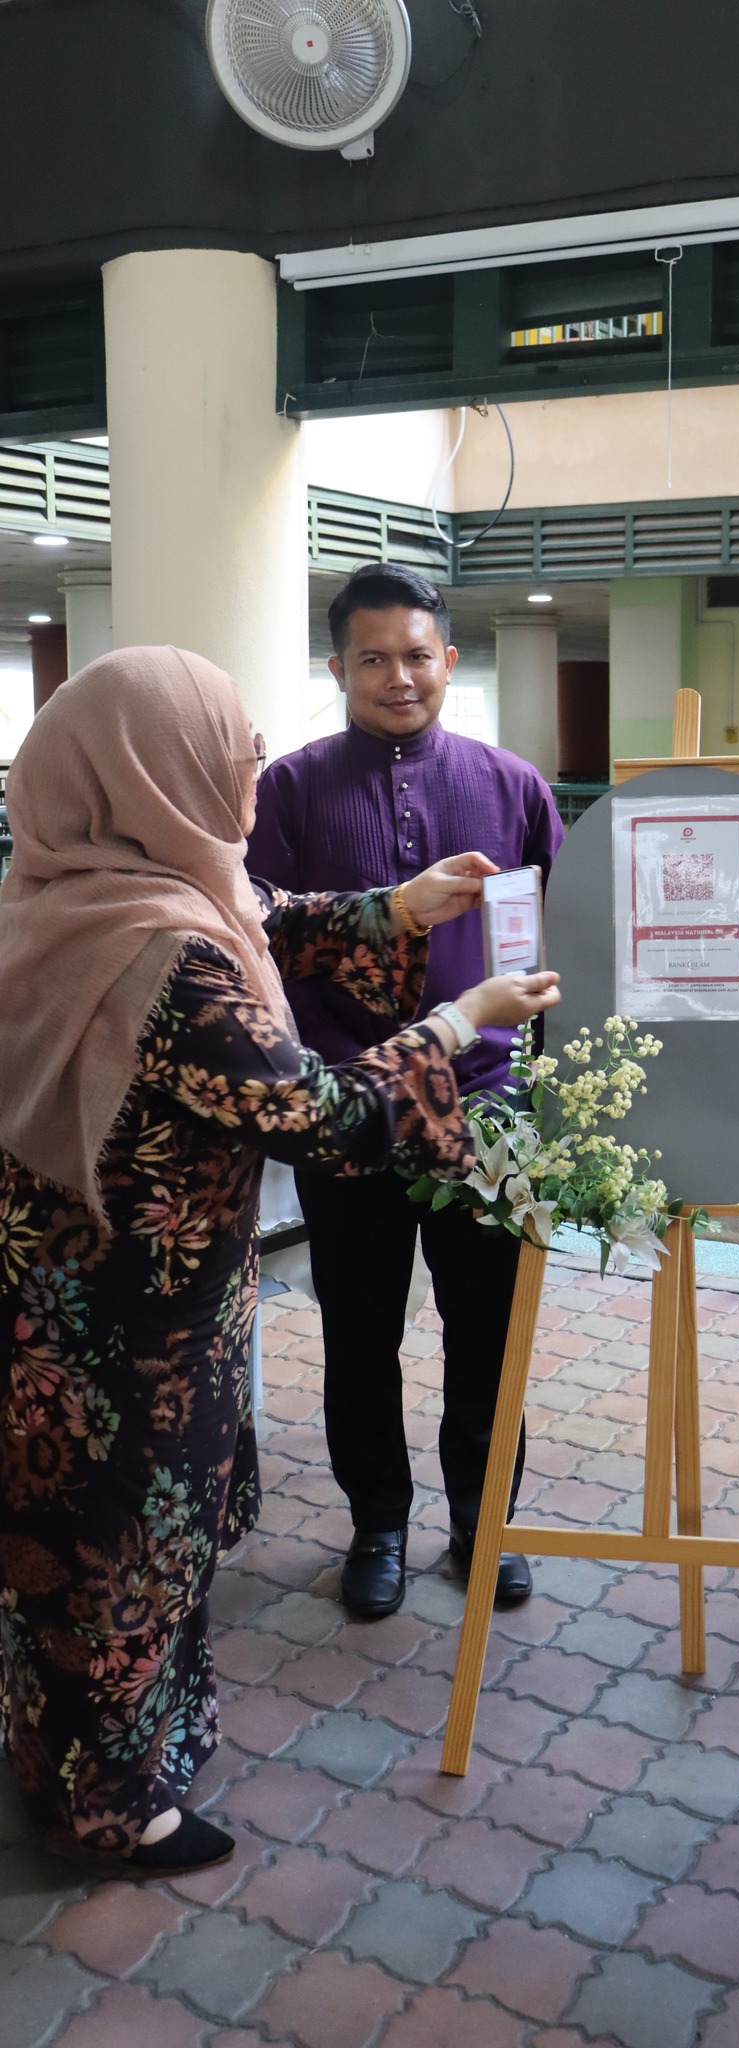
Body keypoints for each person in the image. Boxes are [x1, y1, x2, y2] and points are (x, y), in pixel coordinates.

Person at [0, 646, 559, 1877]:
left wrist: (397, 907)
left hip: (52, 1296)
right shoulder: (169, 957)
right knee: (126, 1550)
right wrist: (460, 1021)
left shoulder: (68, 896)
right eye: (232, 750)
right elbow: (326, 1116)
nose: (250, 772)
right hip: (135, 1325)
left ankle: (59, 1751)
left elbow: (273, 912)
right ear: (159, 771)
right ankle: (112, 1810)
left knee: (59, 1546)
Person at [248, 564, 564, 1620]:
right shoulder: (288, 789)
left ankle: (484, 1522)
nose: (399, 677)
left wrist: (550, 1084)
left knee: (491, 1333)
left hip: (487, 1101)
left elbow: (558, 935)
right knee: (359, 1330)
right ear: (337, 668)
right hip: (349, 1107)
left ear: (449, 660)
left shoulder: (513, 785)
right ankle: (376, 1521)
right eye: (373, 658)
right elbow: (261, 935)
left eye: (417, 655)